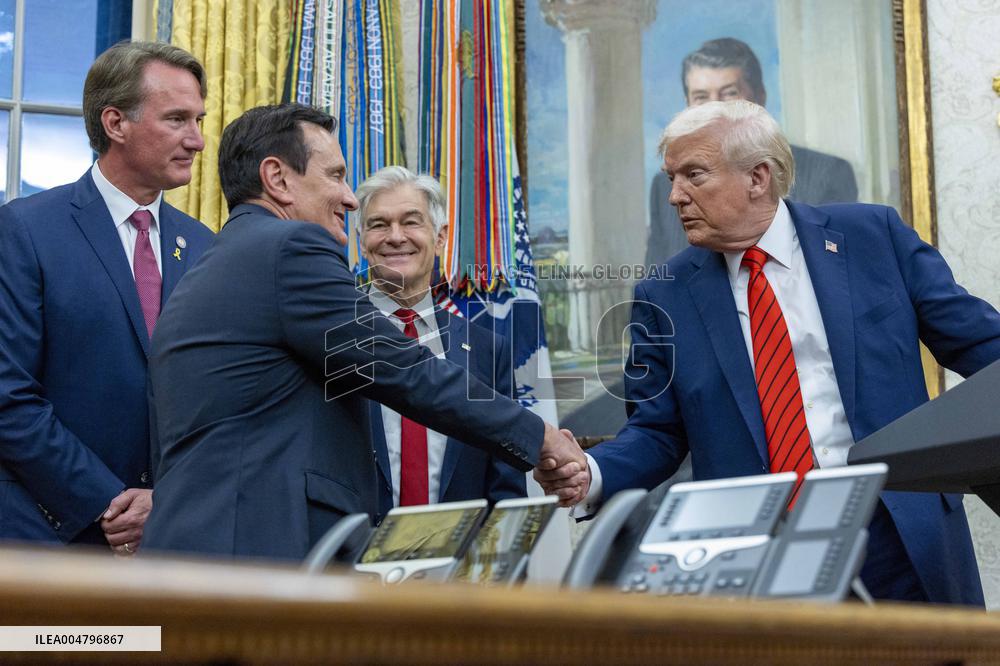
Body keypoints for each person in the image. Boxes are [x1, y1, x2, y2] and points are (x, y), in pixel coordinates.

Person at [537, 100, 1000, 605]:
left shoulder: (873, 238)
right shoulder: (663, 295)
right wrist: (591, 470)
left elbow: (983, 346)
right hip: (755, 552)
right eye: (671, 177)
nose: (674, 196)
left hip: (898, 530)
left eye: (694, 175)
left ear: (758, 178)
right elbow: (656, 430)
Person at [143, 104, 584, 560]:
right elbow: (403, 369)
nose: (350, 198)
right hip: (250, 559)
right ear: (276, 178)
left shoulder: (216, 263)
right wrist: (542, 438)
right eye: (335, 175)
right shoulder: (289, 249)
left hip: (205, 551)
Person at [0, 42, 213, 555]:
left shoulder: (207, 246)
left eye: (199, 119)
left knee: (144, 645)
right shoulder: (26, 231)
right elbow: (8, 398)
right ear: (115, 123)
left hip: (170, 540)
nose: (198, 140)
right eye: (178, 119)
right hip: (50, 538)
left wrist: (165, 501)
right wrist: (110, 501)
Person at [355, 166, 526, 521]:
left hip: (458, 570)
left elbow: (506, 496)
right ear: (361, 239)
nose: (395, 236)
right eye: (379, 224)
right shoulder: (331, 337)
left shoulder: (488, 352)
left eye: (411, 222)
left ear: (441, 236)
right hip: (351, 567)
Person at [644, 37, 858, 268]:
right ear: (687, 104)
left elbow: (841, 274)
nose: (715, 108)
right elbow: (654, 287)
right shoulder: (666, 188)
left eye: (729, 93)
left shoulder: (827, 174)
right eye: (701, 97)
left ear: (760, 97)